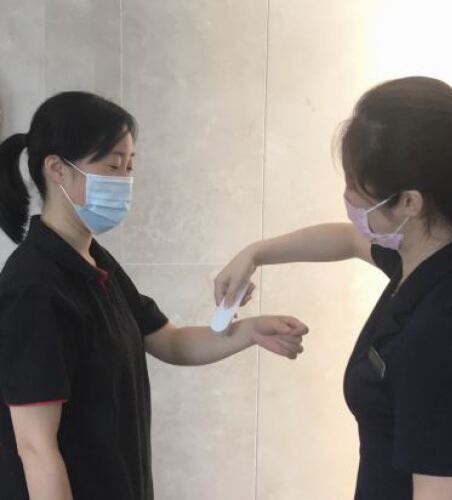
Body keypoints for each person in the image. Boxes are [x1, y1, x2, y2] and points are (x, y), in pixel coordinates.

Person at [214, 76, 452, 500]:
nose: (347, 197)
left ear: (410, 202)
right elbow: (349, 240)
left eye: (356, 188)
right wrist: (255, 254)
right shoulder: (436, 259)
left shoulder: (442, 334)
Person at [0, 91, 308, 500]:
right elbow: (35, 448)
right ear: (57, 168)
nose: (124, 181)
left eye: (130, 166)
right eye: (112, 166)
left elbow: (172, 342)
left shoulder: (95, 262)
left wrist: (250, 331)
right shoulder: (33, 288)